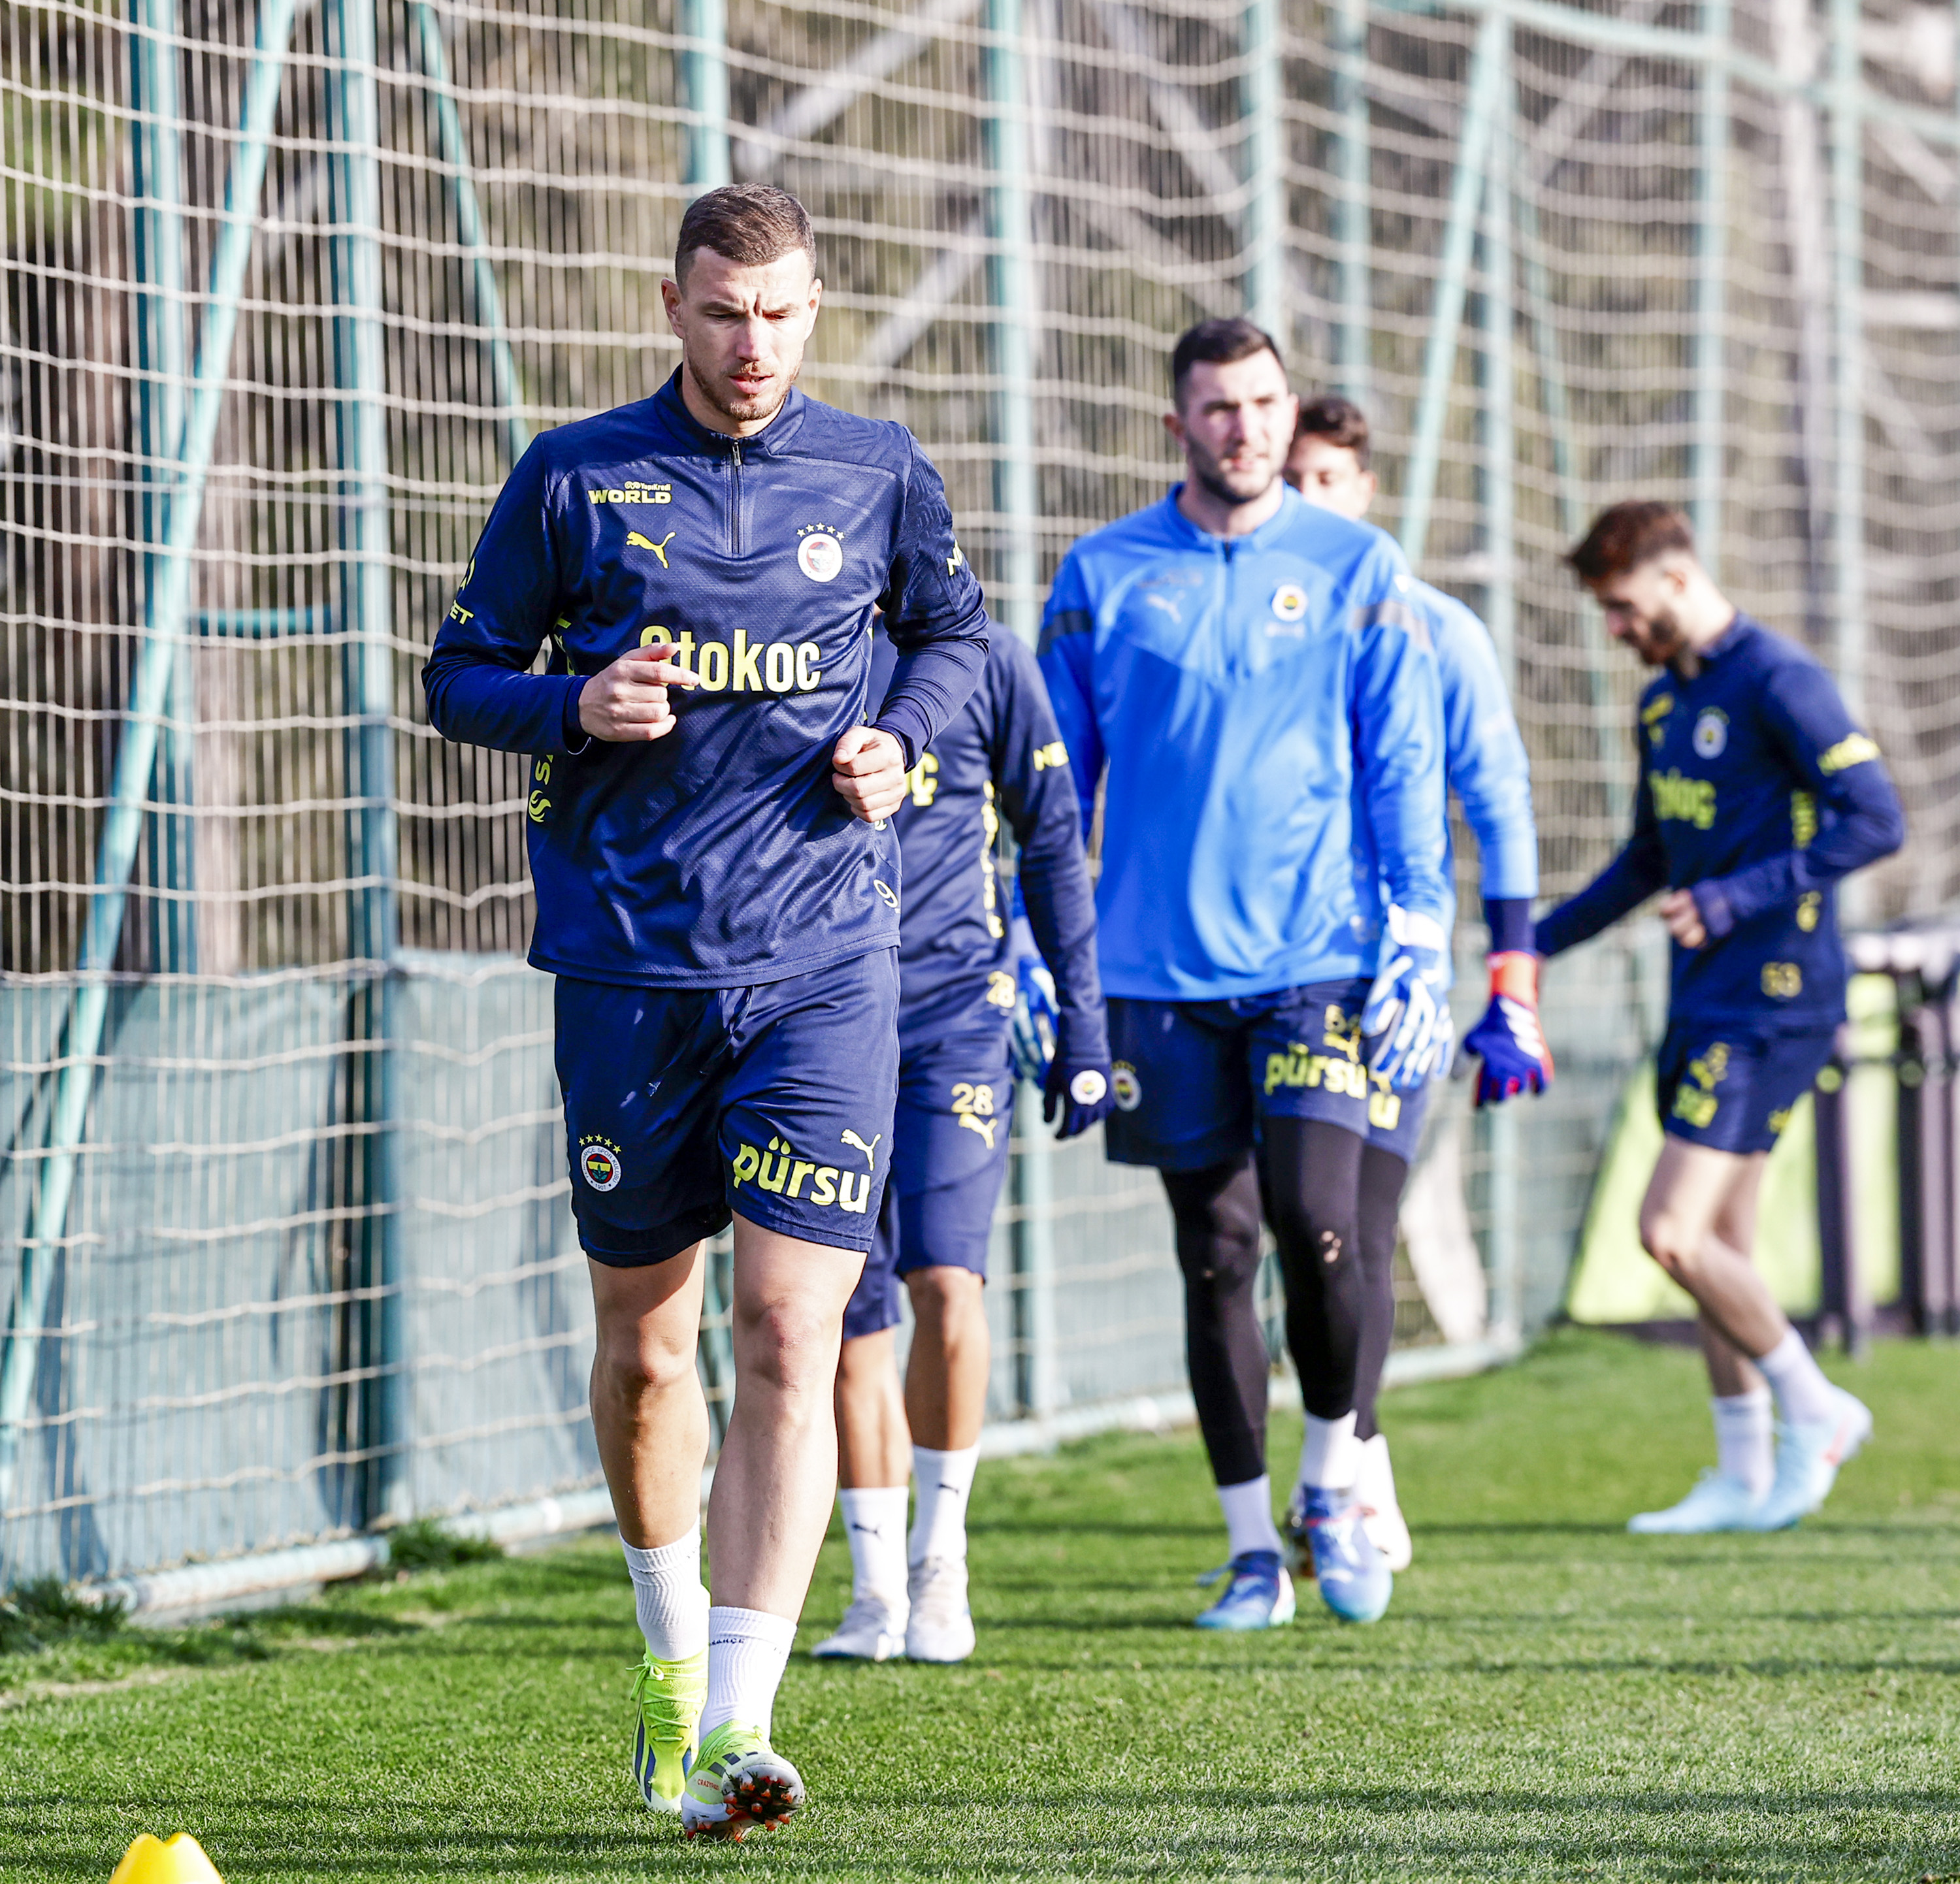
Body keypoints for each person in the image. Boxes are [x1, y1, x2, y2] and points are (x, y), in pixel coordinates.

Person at [421, 184, 988, 1838]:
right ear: (673, 307)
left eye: (788, 312)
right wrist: (567, 703)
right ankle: (673, 1684)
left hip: (826, 963)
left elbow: (952, 634)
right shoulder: (575, 474)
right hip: (627, 969)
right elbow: (456, 671)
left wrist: (909, 740)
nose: (758, 346)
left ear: (818, 310)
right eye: (729, 313)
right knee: (652, 1353)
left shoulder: (875, 471)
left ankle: (743, 1720)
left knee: (787, 1332)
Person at [1039, 319, 1452, 1631]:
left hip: (1316, 963)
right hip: (1156, 976)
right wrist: (1035, 946)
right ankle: (1248, 1550)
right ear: (1178, 424)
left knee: (1321, 1222)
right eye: (1218, 406)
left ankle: (1333, 1473)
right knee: (1214, 1250)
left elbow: (1400, 760)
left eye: (1264, 401)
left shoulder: (1357, 564)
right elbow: (1055, 785)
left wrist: (1424, 923)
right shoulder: (1103, 574)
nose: (1246, 427)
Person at [1537, 501, 1904, 1533]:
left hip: (1777, 995)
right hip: (1704, 994)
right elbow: (1650, 859)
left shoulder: (1782, 679)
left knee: (1670, 1232)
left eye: (1619, 608)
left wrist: (1742, 896)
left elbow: (1877, 819)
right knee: (1724, 1235)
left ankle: (1816, 1409)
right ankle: (1745, 1473)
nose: (1612, 629)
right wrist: (1536, 939)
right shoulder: (1664, 706)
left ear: (1675, 576)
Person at [809, 625, 1111, 1665]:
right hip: (818, 1015)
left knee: (948, 1282)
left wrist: (1085, 1023)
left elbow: (1053, 833)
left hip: (956, 1015)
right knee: (844, 1306)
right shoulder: (787, 635)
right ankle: (875, 1586)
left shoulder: (983, 657)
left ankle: (943, 1564)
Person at [1284, 395, 1550, 1571]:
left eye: (1332, 478)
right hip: (1271, 981)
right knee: (1294, 1234)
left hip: (1394, 985)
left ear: (1368, 493)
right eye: (1296, 478)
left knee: (1359, 1229)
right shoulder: (1259, 627)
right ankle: (1351, 1476)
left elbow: (1499, 805)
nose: (1310, 500)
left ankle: (1342, 1479)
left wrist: (1513, 983)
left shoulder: (1438, 630)